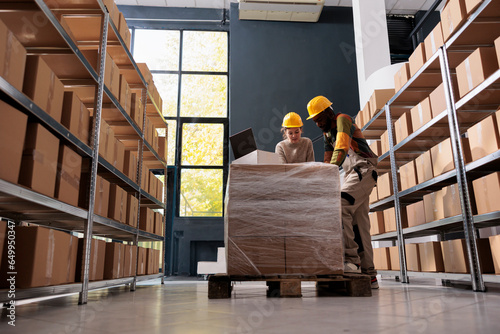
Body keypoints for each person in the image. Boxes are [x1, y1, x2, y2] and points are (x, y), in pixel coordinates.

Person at [306, 96, 379, 289]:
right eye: (314, 121)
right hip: (351, 173)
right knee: (359, 223)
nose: (317, 123)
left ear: (329, 113)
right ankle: (369, 276)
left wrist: (328, 172)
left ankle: (352, 261)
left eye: (319, 118)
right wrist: (319, 179)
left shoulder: (342, 119)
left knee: (340, 206)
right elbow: (328, 159)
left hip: (363, 168)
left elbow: (341, 147)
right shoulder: (326, 133)